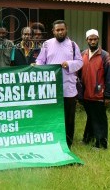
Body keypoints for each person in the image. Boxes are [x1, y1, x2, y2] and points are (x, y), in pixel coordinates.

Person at [35, 20, 83, 148]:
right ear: (53, 31)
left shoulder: (73, 45)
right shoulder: (47, 44)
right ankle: (53, 140)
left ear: (66, 29)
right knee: (52, 115)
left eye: (62, 29)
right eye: (57, 30)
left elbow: (80, 62)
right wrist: (40, 66)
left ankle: (68, 143)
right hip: (51, 88)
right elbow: (40, 60)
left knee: (68, 117)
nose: (60, 32)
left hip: (68, 89)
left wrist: (69, 64)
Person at [80, 29, 110, 149]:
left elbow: (109, 76)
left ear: (98, 39)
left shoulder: (104, 55)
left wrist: (108, 95)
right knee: (91, 117)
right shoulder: (82, 54)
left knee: (99, 119)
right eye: (90, 39)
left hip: (98, 94)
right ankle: (87, 139)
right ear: (87, 40)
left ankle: (101, 144)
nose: (93, 41)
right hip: (85, 94)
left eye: (95, 39)